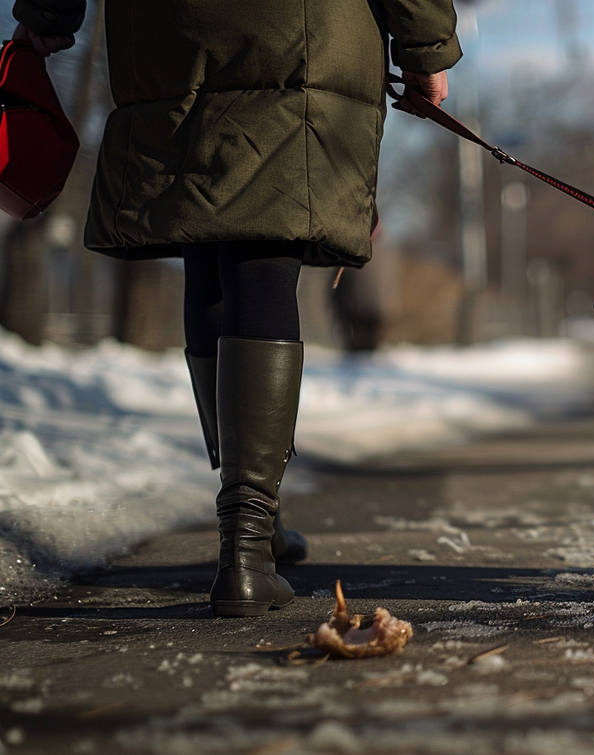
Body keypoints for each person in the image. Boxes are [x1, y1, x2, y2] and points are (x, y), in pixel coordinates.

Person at [13, 0, 461, 617]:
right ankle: (247, 547)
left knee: (209, 247)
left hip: (169, 39)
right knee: (262, 250)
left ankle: (254, 522)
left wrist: (48, 10)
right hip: (299, 38)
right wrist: (426, 48)